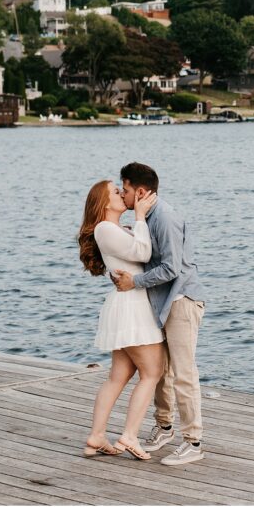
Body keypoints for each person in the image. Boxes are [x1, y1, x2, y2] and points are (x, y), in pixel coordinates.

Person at [111, 162, 207, 466]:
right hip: (160, 303)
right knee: (160, 370)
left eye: (124, 189)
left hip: (180, 301)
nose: (122, 194)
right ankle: (164, 427)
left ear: (140, 191)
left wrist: (133, 282)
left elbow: (171, 269)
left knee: (183, 373)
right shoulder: (148, 217)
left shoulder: (163, 217)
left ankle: (193, 441)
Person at [77, 179, 165, 461]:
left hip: (129, 306)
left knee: (119, 376)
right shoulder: (105, 229)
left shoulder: (116, 229)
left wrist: (136, 223)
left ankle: (96, 437)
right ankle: (129, 435)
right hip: (132, 308)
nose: (121, 194)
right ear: (104, 203)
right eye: (116, 192)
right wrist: (140, 216)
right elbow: (143, 253)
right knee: (152, 372)